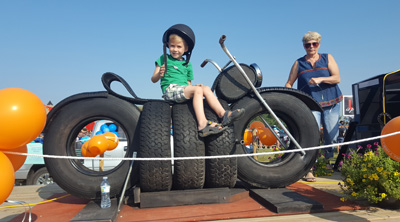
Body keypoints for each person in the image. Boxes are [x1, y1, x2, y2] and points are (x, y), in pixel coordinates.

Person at [151, 24, 245, 137]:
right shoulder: (163, 58)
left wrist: (196, 87)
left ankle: (223, 114)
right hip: (170, 90)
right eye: (172, 46)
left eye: (179, 46)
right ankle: (202, 124)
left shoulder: (187, 64)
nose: (175, 49)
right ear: (167, 45)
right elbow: (153, 79)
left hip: (182, 89)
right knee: (198, 90)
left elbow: (188, 84)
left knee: (205, 88)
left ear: (186, 48)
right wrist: (160, 74)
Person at [285, 31, 343, 182]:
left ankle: (327, 161)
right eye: (307, 44)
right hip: (310, 104)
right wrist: (289, 97)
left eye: (314, 44)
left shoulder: (327, 58)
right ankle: (309, 168)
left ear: (319, 44)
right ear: (304, 46)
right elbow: (289, 83)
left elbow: (337, 78)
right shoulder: (298, 63)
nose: (311, 47)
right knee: (312, 135)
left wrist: (321, 79)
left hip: (331, 102)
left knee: (332, 135)